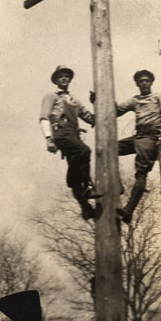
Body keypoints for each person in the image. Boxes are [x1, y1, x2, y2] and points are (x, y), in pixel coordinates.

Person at [40, 65, 101, 221]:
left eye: (67, 76)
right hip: (61, 133)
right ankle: (87, 188)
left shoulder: (74, 101)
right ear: (56, 80)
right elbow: (44, 118)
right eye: (61, 76)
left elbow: (90, 118)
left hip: (73, 136)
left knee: (74, 174)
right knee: (84, 151)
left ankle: (86, 208)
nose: (64, 78)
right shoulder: (51, 97)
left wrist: (96, 103)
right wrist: (48, 139)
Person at [116, 70, 161, 224]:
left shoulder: (158, 97)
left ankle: (129, 210)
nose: (143, 83)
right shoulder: (135, 100)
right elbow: (116, 110)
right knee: (111, 149)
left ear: (150, 83)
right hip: (138, 136)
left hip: (151, 138)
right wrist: (98, 101)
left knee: (141, 173)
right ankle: (117, 184)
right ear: (137, 84)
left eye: (146, 81)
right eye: (140, 81)